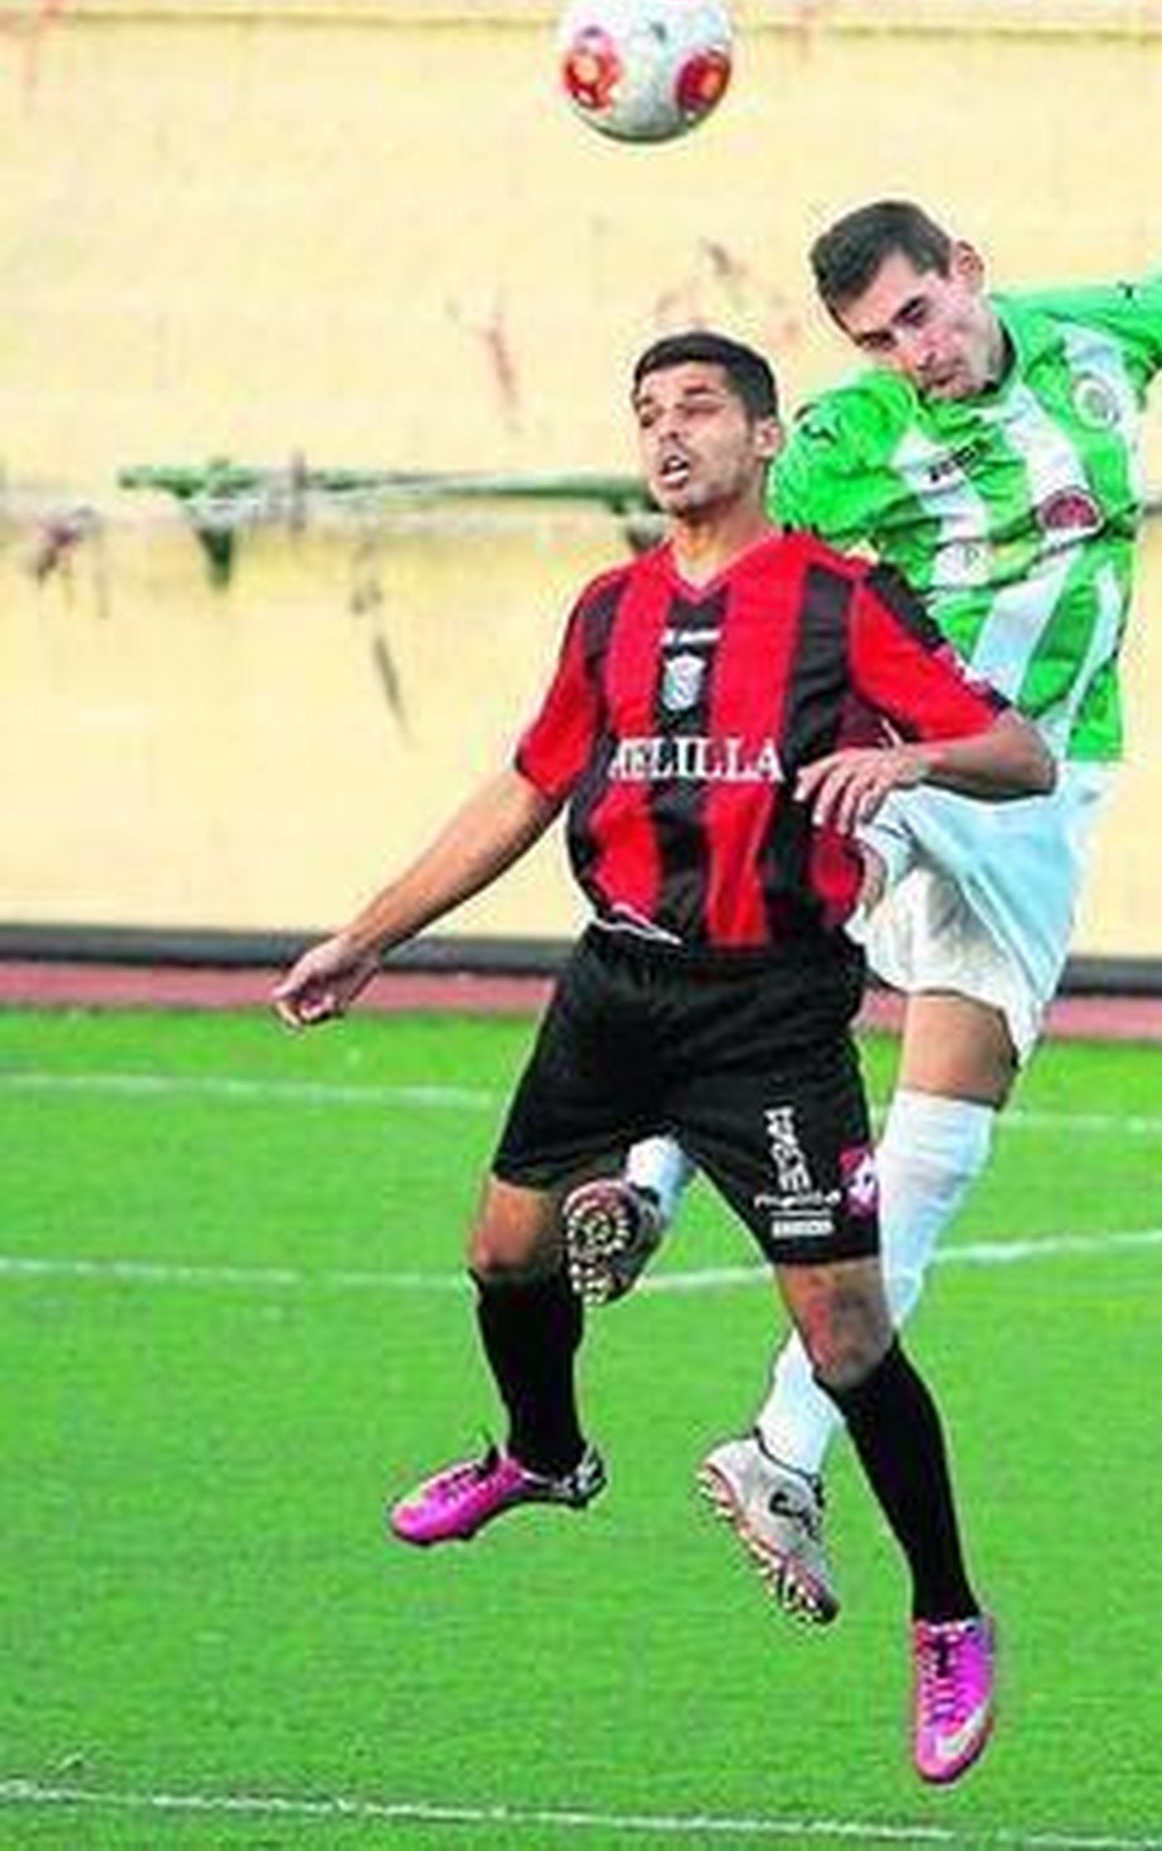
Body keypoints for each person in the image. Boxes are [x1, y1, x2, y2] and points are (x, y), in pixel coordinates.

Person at [564, 200, 1162, 1624]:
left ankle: (782, 1446)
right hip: (904, 744)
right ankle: (645, 1183)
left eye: (919, 317)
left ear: (967, 272)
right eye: (874, 340)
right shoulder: (847, 442)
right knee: (777, 939)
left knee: (943, 1139)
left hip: (1048, 784)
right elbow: (727, 553)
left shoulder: (1098, 333)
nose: (912, 355)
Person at [272, 329, 1055, 1786]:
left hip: (769, 1014)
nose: (669, 432)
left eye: (699, 407)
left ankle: (948, 1616)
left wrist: (914, 757)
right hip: (618, 984)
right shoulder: (607, 612)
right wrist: (370, 934)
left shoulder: (842, 602)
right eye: (647, 413)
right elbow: (524, 787)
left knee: (848, 1340)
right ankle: (544, 1458)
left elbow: (1023, 755)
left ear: (766, 439)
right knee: (502, 1253)